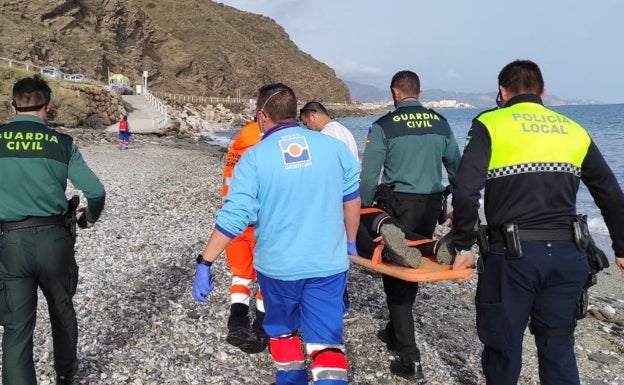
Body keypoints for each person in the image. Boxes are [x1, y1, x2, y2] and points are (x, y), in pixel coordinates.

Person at [450, 59, 624, 385]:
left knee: (503, 350)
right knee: (558, 349)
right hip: (567, 256)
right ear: (543, 91)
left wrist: (462, 245)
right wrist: (621, 248)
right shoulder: (573, 129)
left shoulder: (491, 124)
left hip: (512, 259)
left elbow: (465, 191)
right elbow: (611, 194)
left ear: (502, 91)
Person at [192, 83, 361, 385]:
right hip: (328, 264)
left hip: (279, 268)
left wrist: (205, 262)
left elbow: (235, 216)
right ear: (295, 113)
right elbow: (352, 201)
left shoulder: (254, 158)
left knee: (283, 333)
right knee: (326, 344)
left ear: (261, 116)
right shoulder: (334, 148)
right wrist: (349, 242)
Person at [0, 75, 106, 385]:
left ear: (12, 106)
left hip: (10, 242)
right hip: (55, 240)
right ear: (48, 106)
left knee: (17, 326)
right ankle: (65, 374)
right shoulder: (62, 143)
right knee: (61, 309)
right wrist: (89, 218)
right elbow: (95, 191)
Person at [359, 70, 461, 381]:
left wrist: (365, 212)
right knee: (413, 264)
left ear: (394, 92)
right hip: (431, 204)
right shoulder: (440, 123)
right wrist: (460, 207)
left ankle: (408, 355)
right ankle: (394, 330)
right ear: (419, 90)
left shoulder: (383, 126)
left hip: (396, 205)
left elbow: (368, 176)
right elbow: (457, 166)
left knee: (397, 272)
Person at [299, 101, 359, 318]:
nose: (307, 129)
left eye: (306, 123)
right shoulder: (345, 131)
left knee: (329, 255)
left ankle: (337, 304)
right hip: (347, 200)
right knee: (339, 253)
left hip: (333, 203)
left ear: (312, 115)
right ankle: (341, 303)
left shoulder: (327, 135)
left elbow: (326, 172)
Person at [220, 119, 268, 353]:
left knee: (241, 276)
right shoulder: (262, 145)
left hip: (233, 221)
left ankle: (237, 322)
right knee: (266, 277)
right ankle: (261, 327)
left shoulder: (237, 145)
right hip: (258, 222)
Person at [357, 207, 455, 267]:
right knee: (390, 227)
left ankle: (388, 254)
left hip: (347, 210)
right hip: (370, 212)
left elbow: (369, 178)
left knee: (356, 235)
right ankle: (434, 246)